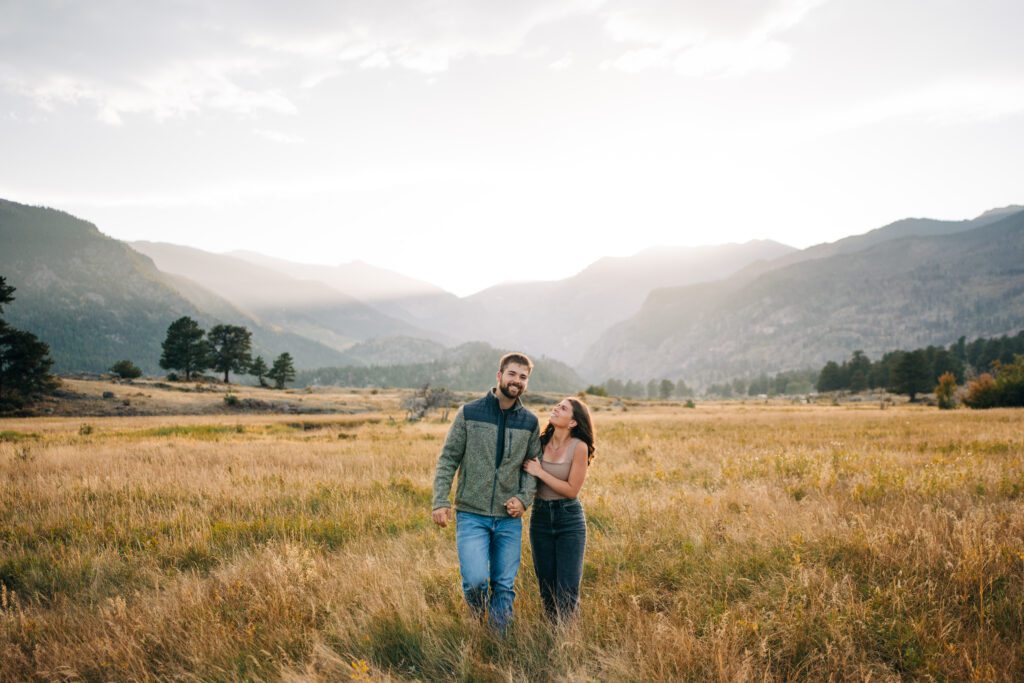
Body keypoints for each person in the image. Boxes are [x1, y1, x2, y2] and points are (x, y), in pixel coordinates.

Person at [431, 352, 541, 631]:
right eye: (512, 374)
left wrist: (524, 499)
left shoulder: (529, 422)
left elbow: (532, 467)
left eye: (523, 377)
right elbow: (448, 458)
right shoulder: (470, 412)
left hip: (508, 517)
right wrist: (440, 501)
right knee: (476, 580)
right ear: (499, 375)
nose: (517, 381)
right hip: (472, 514)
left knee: (504, 585)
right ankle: (477, 622)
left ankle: (498, 641)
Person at [522, 396, 595, 622]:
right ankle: (552, 637)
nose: (556, 408)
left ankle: (569, 642)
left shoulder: (579, 447)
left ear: (573, 422)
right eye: (558, 405)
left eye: (563, 408)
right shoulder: (540, 444)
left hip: (569, 519)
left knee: (567, 590)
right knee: (547, 588)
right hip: (540, 517)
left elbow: (571, 490)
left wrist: (541, 472)